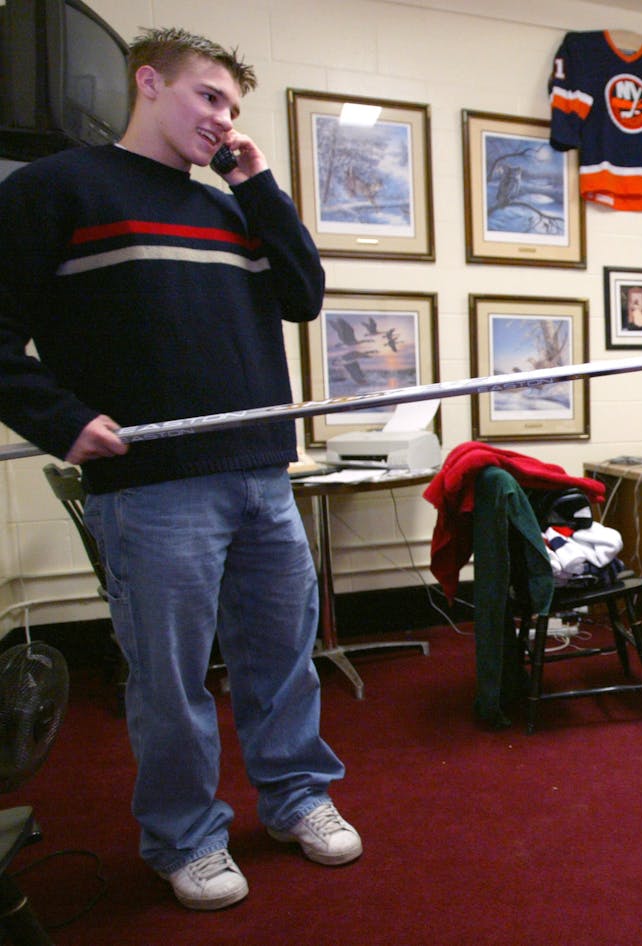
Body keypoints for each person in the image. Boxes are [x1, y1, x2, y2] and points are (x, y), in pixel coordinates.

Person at [0, 27, 358, 911]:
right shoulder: (59, 187)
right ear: (149, 82)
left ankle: (295, 796)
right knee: (170, 681)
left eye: (234, 107)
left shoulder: (235, 205)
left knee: (283, 660)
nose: (222, 118)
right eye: (208, 97)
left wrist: (257, 182)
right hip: (152, 489)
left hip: (262, 472)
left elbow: (305, 298)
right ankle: (184, 837)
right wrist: (62, 419)